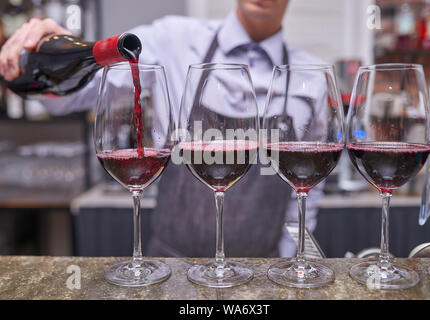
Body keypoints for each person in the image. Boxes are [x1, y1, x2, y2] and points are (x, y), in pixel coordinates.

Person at [0, 0, 324, 258]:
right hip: (171, 266)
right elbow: (70, 97)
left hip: (261, 271)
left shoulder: (311, 77)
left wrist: (291, 261)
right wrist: (41, 52)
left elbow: (308, 187)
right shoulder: (174, 40)